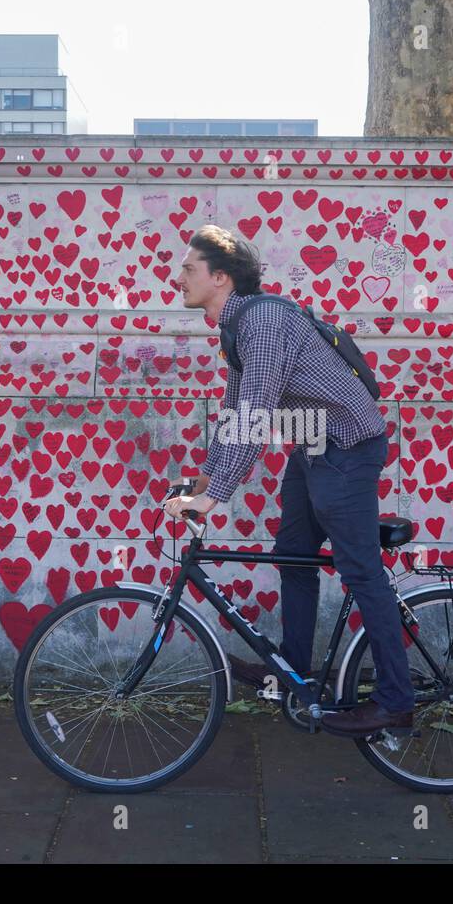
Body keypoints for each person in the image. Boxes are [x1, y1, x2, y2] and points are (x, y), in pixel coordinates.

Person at [163, 224, 415, 738]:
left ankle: (395, 700)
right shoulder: (238, 328)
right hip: (315, 449)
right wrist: (204, 480)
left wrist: (214, 497)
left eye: (189, 269)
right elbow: (235, 414)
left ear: (221, 278)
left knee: (361, 572)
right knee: (293, 555)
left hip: (346, 447)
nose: (177, 278)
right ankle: (293, 673)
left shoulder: (264, 323)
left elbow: (254, 417)